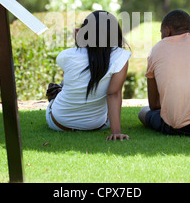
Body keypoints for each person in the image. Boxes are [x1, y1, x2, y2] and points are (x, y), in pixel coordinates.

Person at [46, 10, 131, 141]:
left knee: (64, 85)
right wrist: (116, 132)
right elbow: (113, 94)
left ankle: (57, 94)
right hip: (96, 125)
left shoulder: (66, 55)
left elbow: (74, 76)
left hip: (59, 123)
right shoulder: (121, 56)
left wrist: (79, 42)